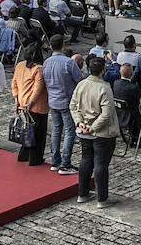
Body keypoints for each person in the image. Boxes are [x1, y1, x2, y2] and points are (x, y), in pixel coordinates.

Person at [70, 54, 119, 208]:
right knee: (101, 164)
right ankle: (102, 198)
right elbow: (107, 113)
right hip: (101, 132)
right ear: (103, 70)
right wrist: (92, 127)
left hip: (84, 130)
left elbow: (73, 105)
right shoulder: (104, 87)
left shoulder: (81, 85)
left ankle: (82, 193)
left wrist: (80, 123)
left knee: (86, 160)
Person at [42, 35, 84, 174]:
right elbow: (79, 80)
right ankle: (65, 163)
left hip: (53, 100)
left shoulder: (46, 62)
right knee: (69, 131)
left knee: (56, 130)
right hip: (66, 101)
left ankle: (55, 160)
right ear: (63, 46)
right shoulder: (68, 63)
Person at [11, 45, 49, 165]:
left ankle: (24, 155)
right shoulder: (38, 69)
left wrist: (16, 98)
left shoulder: (19, 65)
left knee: (26, 131)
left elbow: (14, 83)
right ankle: (35, 159)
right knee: (38, 134)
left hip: (22, 102)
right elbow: (38, 88)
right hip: (37, 106)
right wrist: (31, 102)